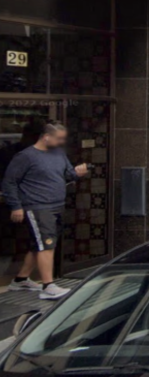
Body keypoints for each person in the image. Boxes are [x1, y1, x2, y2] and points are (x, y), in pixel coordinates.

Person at [2, 123, 88, 300]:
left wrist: (78, 173)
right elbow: (9, 182)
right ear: (45, 136)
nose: (62, 142)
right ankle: (48, 286)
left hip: (57, 205)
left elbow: (68, 174)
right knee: (46, 244)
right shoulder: (26, 156)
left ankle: (20, 280)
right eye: (59, 138)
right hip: (37, 206)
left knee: (40, 244)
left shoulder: (59, 153)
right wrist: (16, 206)